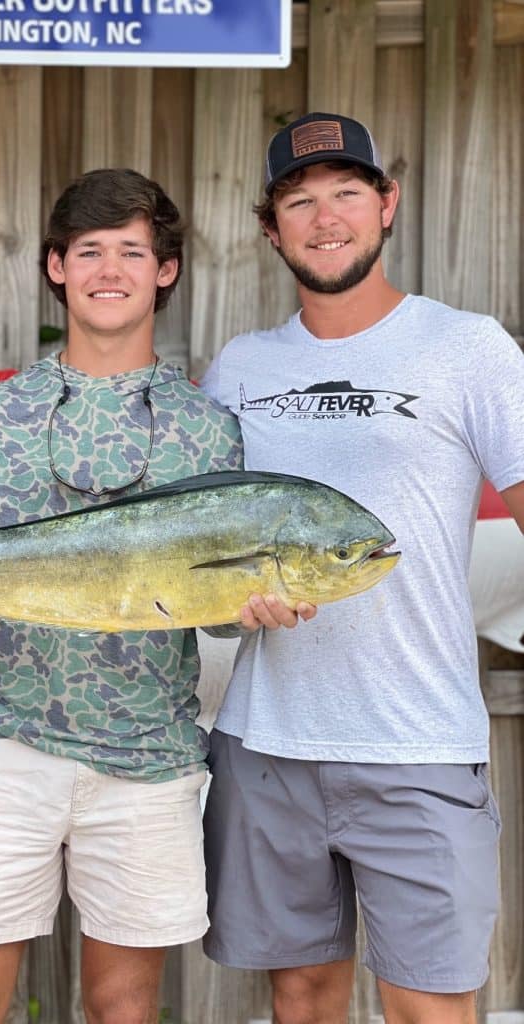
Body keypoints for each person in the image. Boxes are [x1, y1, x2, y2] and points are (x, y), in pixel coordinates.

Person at [0, 168, 249, 1024]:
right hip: (5, 750)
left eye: (132, 250)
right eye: (88, 251)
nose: (109, 269)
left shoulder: (210, 429)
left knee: (122, 1009)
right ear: (56, 267)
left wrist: (258, 605)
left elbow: (225, 604)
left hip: (148, 762)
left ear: (164, 270)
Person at [200, 112, 524, 1024]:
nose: (324, 216)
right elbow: (202, 564)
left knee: (428, 1006)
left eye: (346, 191)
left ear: (386, 204)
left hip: (416, 745)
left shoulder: (467, 348)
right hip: (268, 743)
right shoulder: (238, 368)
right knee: (300, 1000)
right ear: (271, 230)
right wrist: (233, 607)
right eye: (299, 201)